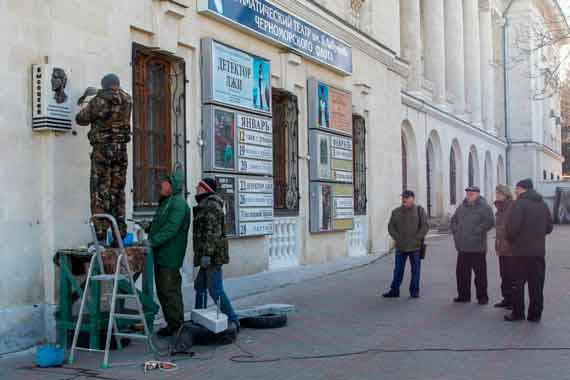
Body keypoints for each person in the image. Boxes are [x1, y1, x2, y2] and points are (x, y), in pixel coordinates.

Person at [76, 74, 132, 243]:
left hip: (103, 149)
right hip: (121, 150)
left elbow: (81, 119)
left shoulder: (100, 100)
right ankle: (119, 236)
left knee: (100, 190)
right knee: (118, 191)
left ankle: (100, 236)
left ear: (104, 85)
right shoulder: (128, 99)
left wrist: (86, 103)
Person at [147, 170, 191, 337]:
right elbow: (161, 224)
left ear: (173, 186)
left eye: (165, 183)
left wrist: (152, 241)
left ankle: (178, 326)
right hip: (161, 254)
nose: (161, 185)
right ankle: (172, 325)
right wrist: (148, 228)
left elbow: (171, 228)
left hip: (170, 256)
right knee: (163, 291)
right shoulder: (167, 202)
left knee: (169, 291)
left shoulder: (178, 204)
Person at [193, 178, 240, 330]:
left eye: (199, 186)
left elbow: (212, 233)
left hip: (212, 256)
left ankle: (233, 320)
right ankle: (199, 316)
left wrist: (206, 254)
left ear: (205, 188)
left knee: (215, 290)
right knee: (200, 285)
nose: (196, 187)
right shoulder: (204, 204)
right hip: (207, 255)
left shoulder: (211, 205)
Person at [504, 179, 553, 322]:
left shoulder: (519, 204)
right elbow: (549, 227)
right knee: (536, 285)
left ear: (522, 189)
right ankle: (535, 315)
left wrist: (511, 240)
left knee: (517, 284)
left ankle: (518, 313)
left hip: (520, 252)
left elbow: (512, 228)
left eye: (516, 189)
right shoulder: (542, 204)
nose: (515, 191)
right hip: (538, 252)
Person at [450, 186, 495, 305]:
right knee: (462, 273)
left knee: (480, 275)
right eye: (468, 193)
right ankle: (463, 295)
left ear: (478, 194)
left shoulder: (485, 207)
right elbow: (454, 220)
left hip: (477, 247)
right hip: (462, 247)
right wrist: (456, 231)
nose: (469, 195)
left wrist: (478, 230)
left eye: (472, 193)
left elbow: (490, 221)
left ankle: (482, 297)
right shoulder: (461, 207)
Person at [383, 190, 429, 298]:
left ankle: (414, 291)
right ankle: (394, 290)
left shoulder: (419, 211)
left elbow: (425, 226)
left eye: (407, 197)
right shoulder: (396, 212)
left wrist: (417, 238)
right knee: (398, 270)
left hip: (415, 247)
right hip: (401, 246)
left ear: (412, 198)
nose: (404, 199)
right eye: (403, 197)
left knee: (415, 270)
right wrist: (397, 238)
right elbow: (391, 227)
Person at [494, 185, 515, 309]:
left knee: (512, 275)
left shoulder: (512, 207)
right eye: (496, 193)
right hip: (501, 247)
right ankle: (506, 298)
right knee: (504, 275)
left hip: (510, 248)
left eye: (499, 193)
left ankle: (513, 300)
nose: (497, 195)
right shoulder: (500, 208)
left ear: (506, 194)